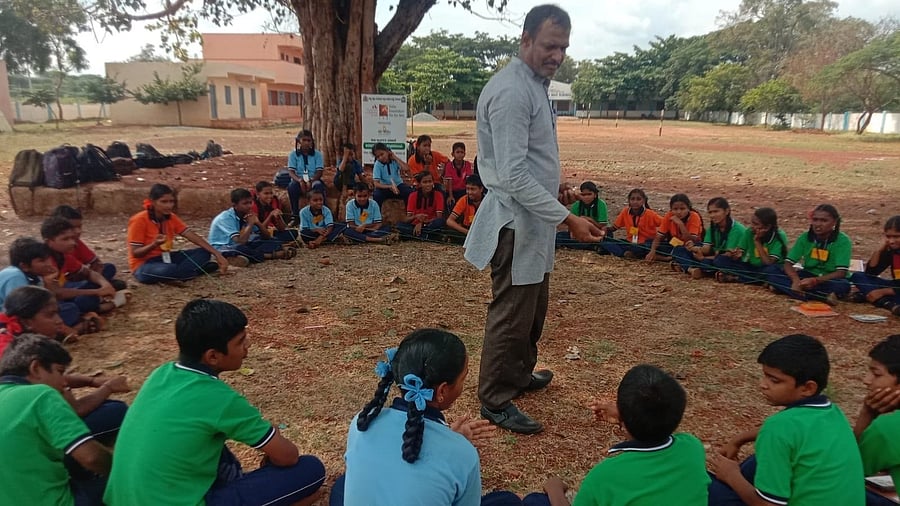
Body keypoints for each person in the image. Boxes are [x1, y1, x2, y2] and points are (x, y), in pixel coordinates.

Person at [464, 4, 603, 434]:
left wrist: (556, 190)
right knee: (512, 312)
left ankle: (520, 374)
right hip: (515, 223)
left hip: (535, 218)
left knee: (533, 306)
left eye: (563, 47)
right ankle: (495, 398)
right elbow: (511, 173)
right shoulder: (511, 91)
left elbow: (531, 159)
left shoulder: (535, 85)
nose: (557, 55)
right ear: (525, 40)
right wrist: (569, 219)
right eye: (549, 45)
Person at [104, 299, 326, 506]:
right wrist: (274, 442)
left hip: (123, 499)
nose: (248, 345)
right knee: (310, 469)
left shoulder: (160, 375)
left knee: (213, 443)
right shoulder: (218, 398)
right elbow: (287, 457)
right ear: (212, 357)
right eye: (240, 342)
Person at [331, 328, 553, 506]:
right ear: (442, 391)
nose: (464, 386)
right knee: (509, 501)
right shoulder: (462, 455)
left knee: (343, 484)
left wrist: (448, 439)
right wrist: (451, 443)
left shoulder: (363, 421)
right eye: (463, 379)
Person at [708, 334, 864, 506]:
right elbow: (791, 435)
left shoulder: (779, 427)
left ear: (807, 388)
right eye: (764, 375)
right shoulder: (832, 412)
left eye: (774, 380)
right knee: (758, 461)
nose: (763, 384)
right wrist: (740, 439)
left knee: (701, 484)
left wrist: (731, 476)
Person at [544, 365, 709, 506]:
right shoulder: (693, 447)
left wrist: (555, 490)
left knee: (536, 501)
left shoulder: (605, 475)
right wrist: (626, 417)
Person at [0, 334, 113, 506]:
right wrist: (122, 470)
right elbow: (92, 458)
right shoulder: (40, 394)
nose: (63, 383)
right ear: (36, 368)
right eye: (60, 372)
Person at [128, 184, 228, 284]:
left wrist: (216, 253)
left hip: (165, 258)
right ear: (153, 202)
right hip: (144, 265)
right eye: (164, 202)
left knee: (204, 252)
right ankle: (189, 272)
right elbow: (136, 253)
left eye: (171, 201)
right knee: (167, 269)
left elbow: (190, 234)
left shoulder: (171, 217)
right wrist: (154, 245)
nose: (169, 206)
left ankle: (181, 274)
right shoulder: (139, 220)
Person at [764, 204, 852, 303]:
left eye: (824, 220)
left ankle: (787, 289)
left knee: (843, 286)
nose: (818, 224)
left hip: (828, 278)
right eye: (815, 220)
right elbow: (788, 263)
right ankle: (821, 296)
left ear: (834, 222)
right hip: (806, 276)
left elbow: (841, 272)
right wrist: (796, 281)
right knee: (771, 271)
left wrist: (816, 280)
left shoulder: (843, 241)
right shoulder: (805, 237)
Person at [41, 216, 117, 325]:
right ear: (49, 242)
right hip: (47, 302)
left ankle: (98, 303)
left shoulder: (64, 256)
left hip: (63, 291)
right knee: (71, 309)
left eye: (72, 238)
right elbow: (58, 293)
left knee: (108, 269)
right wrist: (97, 291)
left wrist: (105, 284)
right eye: (65, 239)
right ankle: (103, 305)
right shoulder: (44, 261)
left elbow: (89, 272)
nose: (73, 243)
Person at [854, 335, 900, 506]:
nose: (866, 380)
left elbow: (849, 469)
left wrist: (867, 413)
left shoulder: (886, 428)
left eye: (876, 374)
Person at [208, 188, 294, 266]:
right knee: (240, 248)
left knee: (272, 241)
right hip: (224, 246)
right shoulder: (225, 218)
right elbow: (239, 242)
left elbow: (266, 236)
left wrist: (257, 223)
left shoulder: (247, 214)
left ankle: (242, 257)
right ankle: (270, 255)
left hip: (242, 243)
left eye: (250, 202)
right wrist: (250, 224)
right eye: (245, 203)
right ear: (234, 205)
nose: (249, 206)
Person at [50, 205, 127, 290]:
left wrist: (98, 279)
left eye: (79, 227)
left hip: (79, 277)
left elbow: (96, 264)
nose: (78, 231)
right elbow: (56, 288)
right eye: (73, 228)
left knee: (109, 268)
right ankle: (90, 290)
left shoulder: (75, 245)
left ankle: (91, 288)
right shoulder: (51, 255)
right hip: (63, 284)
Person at [672, 197, 747, 279]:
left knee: (718, 261)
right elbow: (706, 249)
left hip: (729, 259)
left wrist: (703, 258)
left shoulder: (737, 229)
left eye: (716, 211)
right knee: (679, 249)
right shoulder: (713, 227)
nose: (712, 215)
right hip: (714, 255)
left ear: (726, 211)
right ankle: (691, 269)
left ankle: (690, 267)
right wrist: (694, 248)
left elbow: (728, 255)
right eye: (710, 212)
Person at [713, 207, 788, 284]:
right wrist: (735, 254)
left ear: (767, 227)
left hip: (769, 268)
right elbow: (740, 251)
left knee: (770, 271)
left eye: (756, 224)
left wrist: (757, 242)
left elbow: (768, 263)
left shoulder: (779, 236)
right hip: (751, 267)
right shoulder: (749, 231)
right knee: (720, 260)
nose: (752, 226)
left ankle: (736, 278)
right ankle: (759, 280)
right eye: (752, 223)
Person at [849, 216, 900, 316]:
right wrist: (878, 250)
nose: (891, 241)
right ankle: (888, 303)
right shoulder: (892, 250)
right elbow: (871, 273)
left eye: (896, 236)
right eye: (888, 237)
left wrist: (883, 292)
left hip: (895, 289)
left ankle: (880, 301)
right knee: (858, 276)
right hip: (896, 286)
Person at [0, 237, 58, 309]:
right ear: (24, 266)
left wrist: (48, 282)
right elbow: (19, 309)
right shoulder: (15, 276)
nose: (49, 263)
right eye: (42, 261)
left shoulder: (33, 275)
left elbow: (50, 303)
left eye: (48, 259)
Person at [603, 189, 661, 259]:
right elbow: (614, 227)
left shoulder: (650, 214)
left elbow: (664, 224)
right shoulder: (625, 212)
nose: (635, 202)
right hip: (630, 242)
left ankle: (625, 253)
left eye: (638, 199)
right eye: (632, 199)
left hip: (646, 244)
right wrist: (604, 229)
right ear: (629, 201)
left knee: (642, 248)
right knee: (606, 242)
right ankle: (626, 254)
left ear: (644, 201)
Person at [645, 193, 703, 263]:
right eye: (675, 209)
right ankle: (671, 257)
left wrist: (681, 224)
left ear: (688, 208)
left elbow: (692, 240)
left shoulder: (694, 216)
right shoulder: (669, 215)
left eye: (682, 209)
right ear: (671, 209)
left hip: (690, 246)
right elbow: (659, 236)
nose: (679, 212)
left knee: (681, 250)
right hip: (673, 245)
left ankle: (666, 258)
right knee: (648, 243)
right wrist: (652, 251)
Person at [286, 129, 326, 221]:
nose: (306, 143)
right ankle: (295, 216)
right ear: (299, 141)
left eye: (309, 140)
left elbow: (319, 172)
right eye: (304, 140)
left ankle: (319, 214)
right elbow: (291, 171)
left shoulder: (317, 154)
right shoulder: (293, 154)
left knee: (318, 186)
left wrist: (311, 181)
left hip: (313, 179)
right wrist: (300, 180)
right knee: (292, 187)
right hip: (299, 180)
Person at [556, 181, 607, 250]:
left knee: (607, 237)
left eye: (589, 194)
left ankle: (589, 244)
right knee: (559, 236)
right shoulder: (576, 205)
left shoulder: (601, 204)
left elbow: (602, 225)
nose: (586, 197)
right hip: (579, 232)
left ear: (595, 195)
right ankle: (593, 246)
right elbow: (571, 224)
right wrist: (572, 233)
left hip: (595, 231)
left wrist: (588, 220)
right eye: (584, 195)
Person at [397, 171, 446, 241]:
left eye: (430, 181)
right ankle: (427, 236)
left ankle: (416, 236)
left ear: (433, 182)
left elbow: (439, 217)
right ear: (419, 184)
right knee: (400, 225)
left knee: (440, 221)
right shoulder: (413, 196)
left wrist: (422, 224)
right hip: (414, 225)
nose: (428, 184)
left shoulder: (438, 195)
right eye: (425, 182)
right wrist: (416, 217)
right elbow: (407, 219)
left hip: (429, 225)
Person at [446, 174, 486, 241]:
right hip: (467, 229)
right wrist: (468, 233)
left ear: (481, 189)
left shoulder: (487, 201)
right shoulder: (464, 199)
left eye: (473, 189)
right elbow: (449, 221)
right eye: (467, 189)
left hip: (483, 230)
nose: (469, 192)